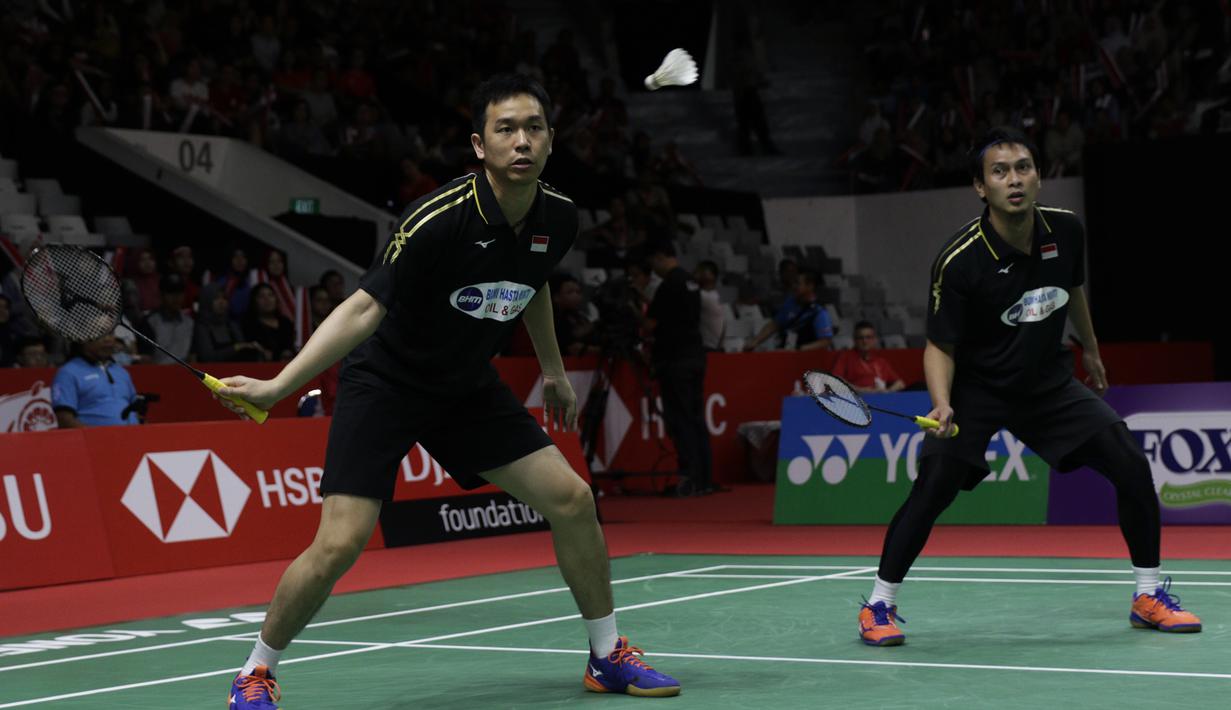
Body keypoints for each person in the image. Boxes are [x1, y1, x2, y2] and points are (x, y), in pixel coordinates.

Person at [215, 74, 680, 708]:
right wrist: (278, 385)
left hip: (465, 385)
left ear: (551, 141)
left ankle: (607, 656)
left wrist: (551, 370)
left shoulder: (559, 217)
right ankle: (255, 672)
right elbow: (362, 308)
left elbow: (533, 282)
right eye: (505, 130)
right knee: (341, 541)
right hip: (389, 380)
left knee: (572, 499)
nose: (522, 141)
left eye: (534, 128)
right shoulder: (438, 218)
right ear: (479, 146)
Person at [857, 127, 1201, 647]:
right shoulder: (959, 260)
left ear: (1038, 177)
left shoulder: (1066, 230)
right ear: (981, 187)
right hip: (976, 389)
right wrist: (944, 403)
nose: (1013, 179)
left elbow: (1073, 289)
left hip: (1046, 383)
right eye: (999, 171)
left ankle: (1148, 595)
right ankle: (879, 604)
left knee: (1130, 461)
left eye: (1022, 168)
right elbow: (939, 344)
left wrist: (1091, 349)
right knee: (933, 489)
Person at [645, 240, 712, 497]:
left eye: (653, 263)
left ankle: (689, 478)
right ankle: (704, 478)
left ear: (661, 257)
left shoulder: (668, 284)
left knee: (681, 419)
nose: (653, 269)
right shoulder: (691, 281)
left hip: (675, 361)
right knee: (695, 418)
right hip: (695, 356)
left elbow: (650, 324)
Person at [51, 333, 140, 427]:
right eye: (101, 334)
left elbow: (136, 411)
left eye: (111, 334)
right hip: (91, 440)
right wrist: (96, 439)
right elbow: (64, 419)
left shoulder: (122, 372)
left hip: (131, 437)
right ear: (84, 339)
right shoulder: (68, 372)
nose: (108, 339)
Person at [743, 270, 833, 351]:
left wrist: (800, 349)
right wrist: (755, 342)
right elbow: (775, 324)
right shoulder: (790, 303)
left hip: (808, 359)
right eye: (794, 283)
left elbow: (825, 342)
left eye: (798, 283)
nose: (794, 286)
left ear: (810, 286)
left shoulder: (819, 312)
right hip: (787, 354)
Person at [194, 284, 264, 362]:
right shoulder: (201, 326)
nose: (221, 302)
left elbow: (243, 350)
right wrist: (236, 347)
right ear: (206, 301)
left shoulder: (231, 325)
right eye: (216, 298)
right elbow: (207, 357)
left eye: (224, 298)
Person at [832, 321, 905, 393]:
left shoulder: (880, 361)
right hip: (859, 399)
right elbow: (836, 379)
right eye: (860, 338)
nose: (865, 341)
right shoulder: (845, 357)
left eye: (868, 337)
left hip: (882, 398)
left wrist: (888, 392)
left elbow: (900, 383)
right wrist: (860, 390)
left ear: (874, 339)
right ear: (854, 340)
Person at [143, 274, 194, 365]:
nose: (176, 297)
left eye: (179, 292)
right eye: (171, 292)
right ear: (161, 295)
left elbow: (193, 357)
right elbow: (146, 359)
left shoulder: (190, 323)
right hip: (158, 374)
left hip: (186, 375)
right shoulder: (150, 322)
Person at [243, 283, 296, 361]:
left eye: (270, 295)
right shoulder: (249, 324)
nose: (267, 299)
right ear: (254, 301)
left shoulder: (285, 322)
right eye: (261, 296)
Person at [693, 260, 725, 351]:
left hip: (711, 348)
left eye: (701, 271)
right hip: (708, 346)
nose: (696, 273)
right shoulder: (711, 295)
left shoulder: (707, 297)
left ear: (711, 275)